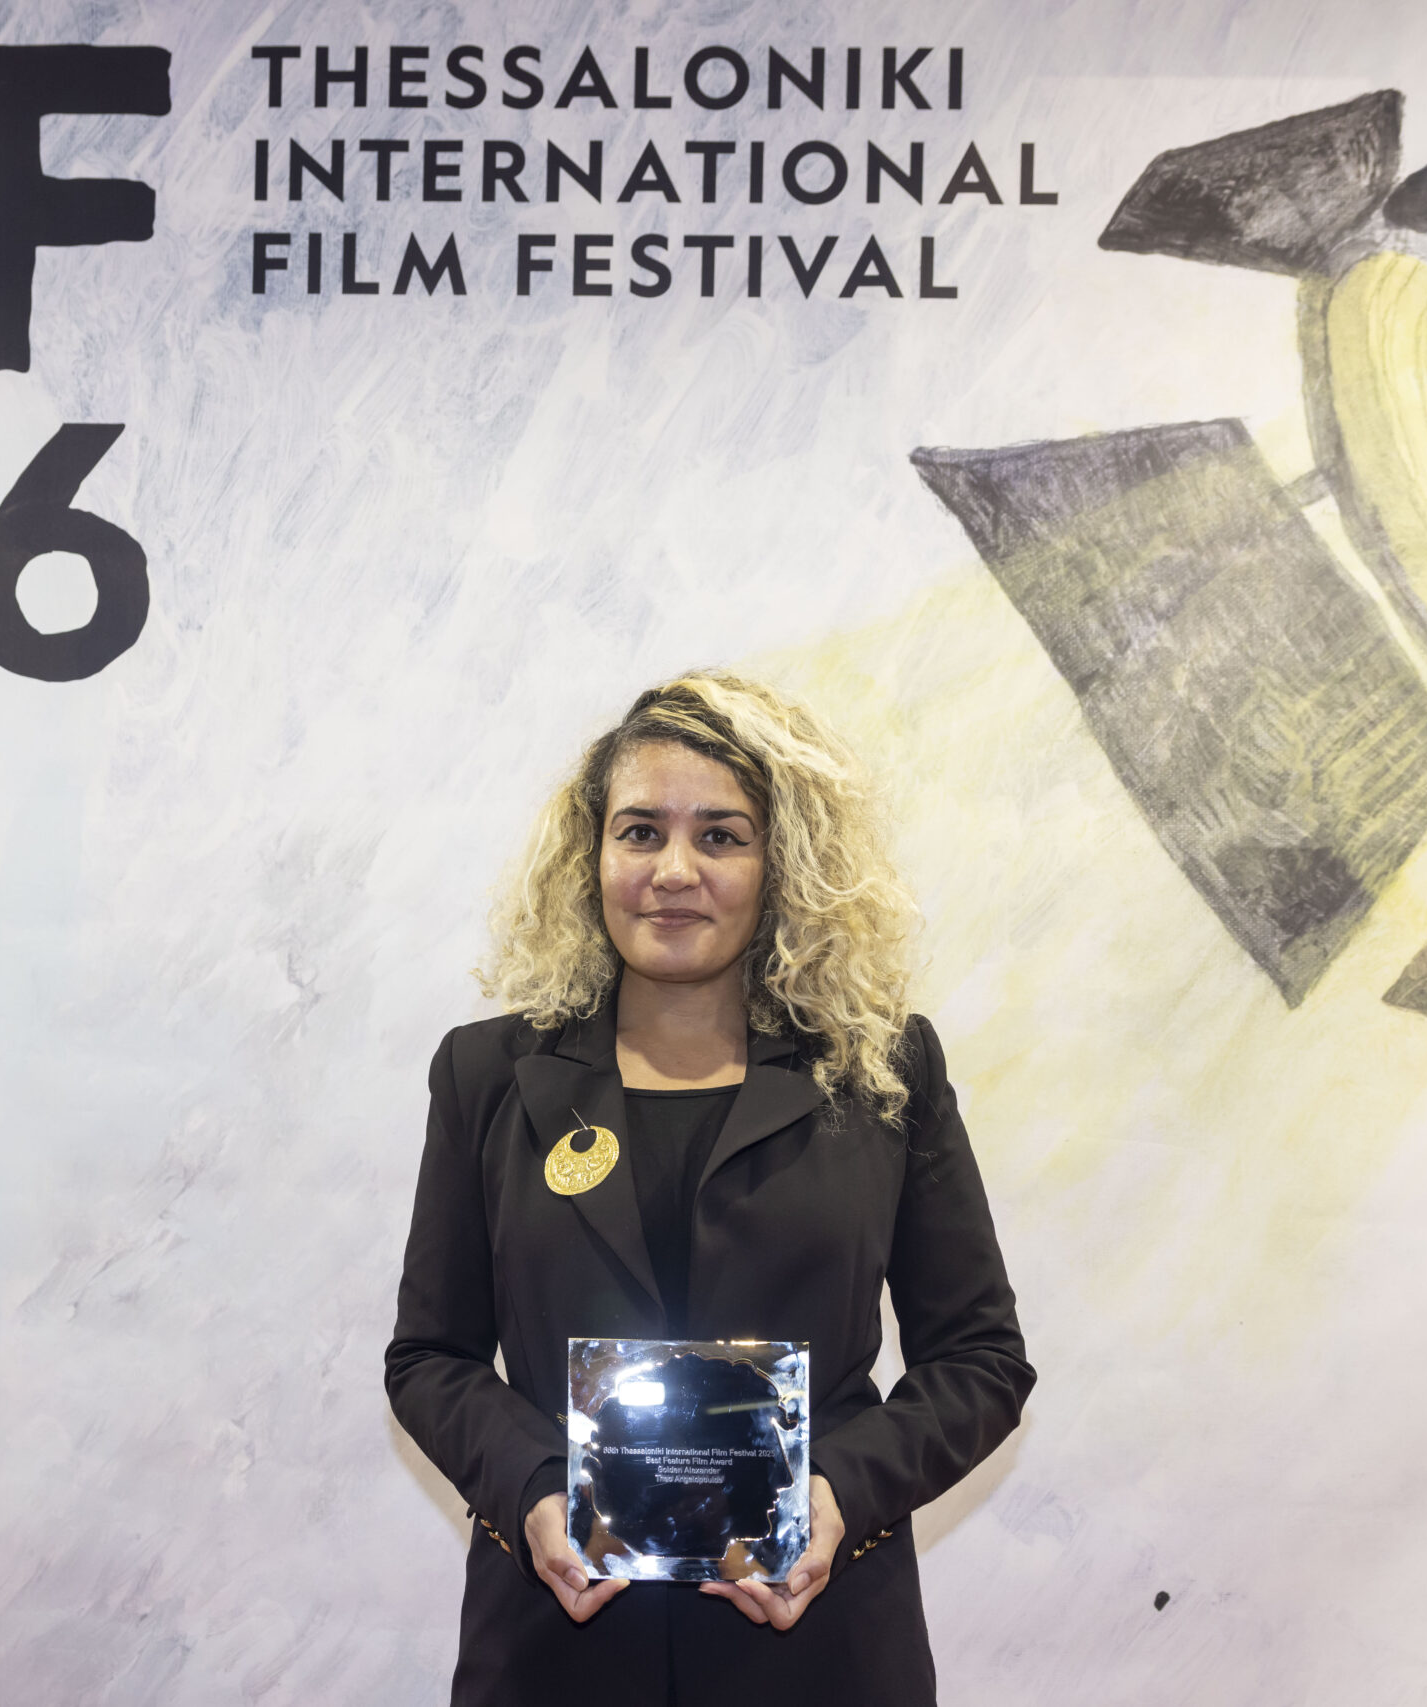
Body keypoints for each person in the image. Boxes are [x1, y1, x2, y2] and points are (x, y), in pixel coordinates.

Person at [385, 670, 1035, 1705]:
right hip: (555, 1647)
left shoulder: (881, 1069)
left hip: (818, 1649)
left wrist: (836, 1496)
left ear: (783, 865)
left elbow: (981, 1360)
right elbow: (430, 1358)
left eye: (721, 836)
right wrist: (537, 1490)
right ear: (593, 854)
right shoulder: (487, 1073)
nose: (673, 871)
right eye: (640, 832)